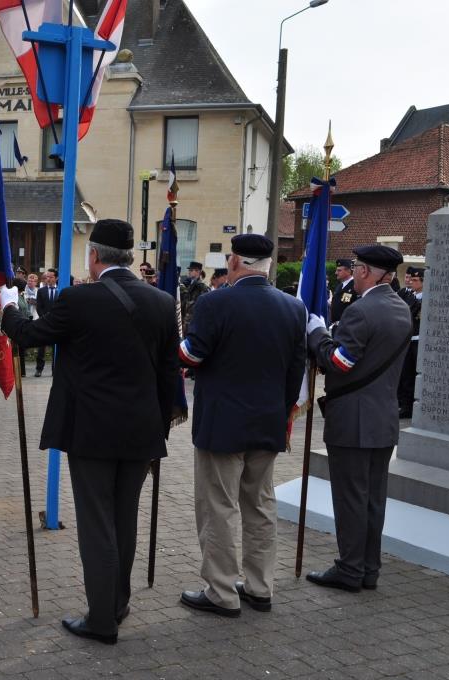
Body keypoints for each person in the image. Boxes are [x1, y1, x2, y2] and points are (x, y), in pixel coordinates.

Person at [0, 218, 180, 645]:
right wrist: (159, 428)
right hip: (140, 432)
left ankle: (102, 619)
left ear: (94, 256)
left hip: (92, 432)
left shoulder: (79, 299)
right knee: (124, 520)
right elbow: (169, 373)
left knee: (97, 524)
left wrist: (8, 305)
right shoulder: (160, 301)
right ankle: (117, 602)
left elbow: (27, 336)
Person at [176, 234, 307, 617]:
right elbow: (295, 369)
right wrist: (280, 410)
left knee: (219, 507)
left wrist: (172, 344)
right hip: (268, 421)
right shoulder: (293, 307)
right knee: (261, 506)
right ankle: (260, 586)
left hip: (223, 424)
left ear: (235, 262)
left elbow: (193, 355)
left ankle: (221, 591)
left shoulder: (216, 302)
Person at [305, 245, 411, 592]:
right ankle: (368, 569)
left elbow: (341, 363)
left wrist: (318, 334)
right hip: (382, 420)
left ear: (365, 271)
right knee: (372, 499)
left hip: (353, 420)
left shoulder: (363, 310)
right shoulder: (400, 307)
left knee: (351, 498)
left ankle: (349, 569)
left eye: (357, 270)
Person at [397, 268, 423, 418]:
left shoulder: (425, 299)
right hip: (407, 339)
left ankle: (413, 405)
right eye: (411, 280)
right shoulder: (409, 296)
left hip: (418, 340)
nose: (411, 282)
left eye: (415, 280)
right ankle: (405, 405)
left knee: (415, 374)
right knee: (405, 374)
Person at [34, 268, 59, 377]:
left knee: (56, 348)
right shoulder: (41, 291)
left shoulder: (61, 290)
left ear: (56, 278)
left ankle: (55, 370)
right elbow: (39, 307)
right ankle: (39, 369)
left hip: (57, 324)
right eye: (47, 277)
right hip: (44, 323)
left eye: (50, 277)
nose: (48, 279)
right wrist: (45, 319)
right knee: (41, 347)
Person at [180, 261, 210, 331]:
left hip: (194, 322)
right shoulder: (188, 284)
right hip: (185, 320)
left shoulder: (202, 286)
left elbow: (202, 304)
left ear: (198, 272)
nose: (189, 272)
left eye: (191, 270)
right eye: (189, 270)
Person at [330, 258, 358, 324]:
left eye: (339, 270)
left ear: (348, 271)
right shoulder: (340, 286)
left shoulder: (355, 286)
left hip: (347, 325)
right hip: (336, 325)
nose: (336, 273)